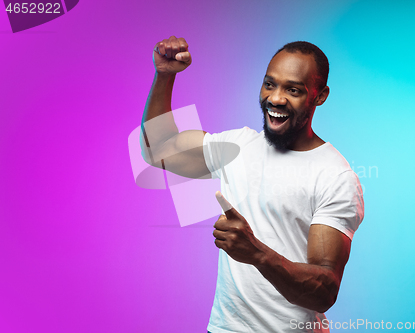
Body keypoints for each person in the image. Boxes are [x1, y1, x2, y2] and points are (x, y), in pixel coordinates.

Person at [140, 36, 364, 333]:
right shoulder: (237, 147)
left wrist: (256, 252)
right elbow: (158, 150)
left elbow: (324, 290)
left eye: (293, 90)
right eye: (270, 84)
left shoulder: (334, 175)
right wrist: (165, 76)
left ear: (320, 96)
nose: (276, 98)